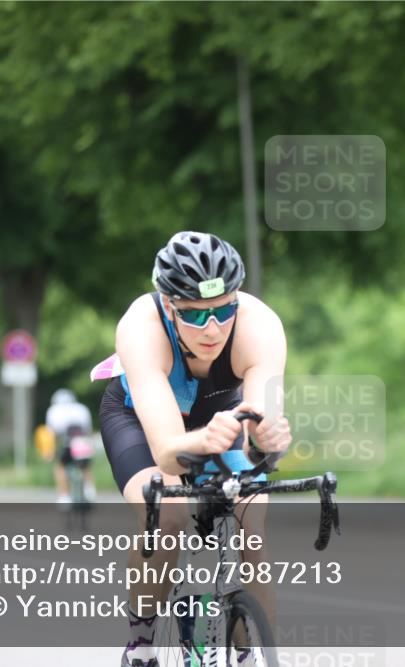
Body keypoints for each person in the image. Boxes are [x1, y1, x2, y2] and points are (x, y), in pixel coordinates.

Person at [92, 231, 291, 667]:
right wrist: (201, 441)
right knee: (167, 514)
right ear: (168, 305)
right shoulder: (140, 327)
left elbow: (259, 418)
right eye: (195, 316)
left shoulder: (260, 326)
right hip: (141, 421)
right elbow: (166, 451)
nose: (213, 328)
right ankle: (141, 641)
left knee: (250, 524)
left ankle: (254, 653)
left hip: (223, 417)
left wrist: (267, 438)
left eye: (223, 311)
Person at [45, 388, 96, 505]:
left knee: (60, 466)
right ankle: (89, 488)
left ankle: (64, 496)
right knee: (85, 466)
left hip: (66, 444)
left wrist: (51, 452)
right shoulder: (82, 408)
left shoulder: (53, 410)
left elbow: (52, 434)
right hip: (81, 442)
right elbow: (88, 430)